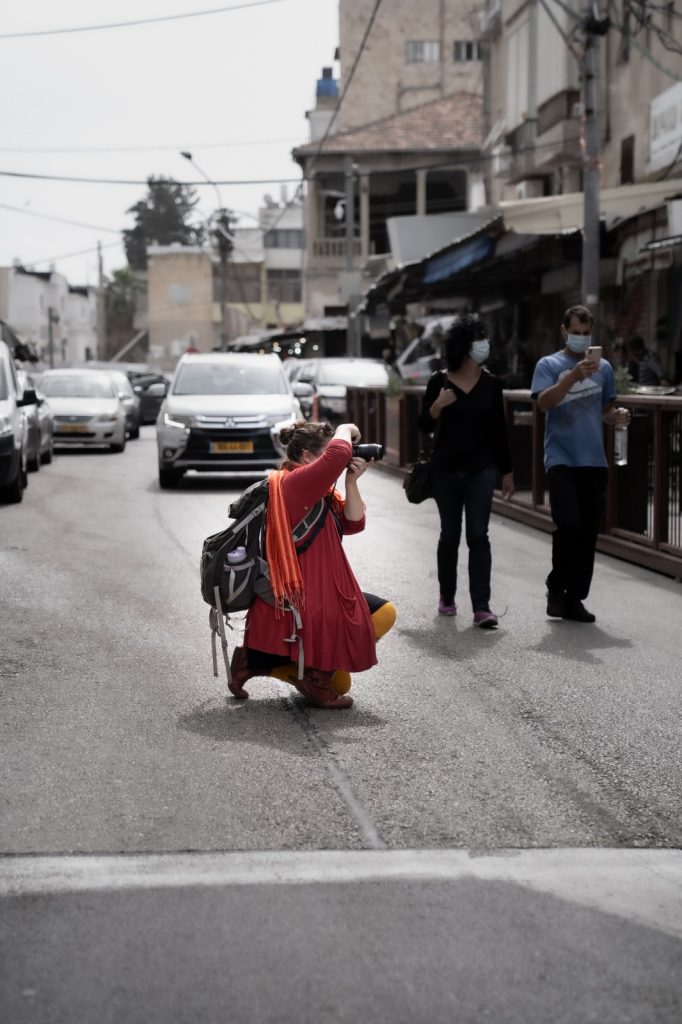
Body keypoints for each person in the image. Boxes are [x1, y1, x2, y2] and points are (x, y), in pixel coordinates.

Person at [228, 420, 396, 709]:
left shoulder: (317, 489)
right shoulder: (295, 484)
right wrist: (344, 428)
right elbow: (338, 455)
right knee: (340, 683)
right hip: (306, 592)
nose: (342, 459)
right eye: (329, 452)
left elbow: (355, 523)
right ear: (307, 457)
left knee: (384, 613)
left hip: (321, 586)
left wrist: (351, 482)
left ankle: (254, 662)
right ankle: (303, 676)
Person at [531, 304, 631, 623]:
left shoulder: (603, 368)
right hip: (561, 457)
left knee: (588, 532)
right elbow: (543, 404)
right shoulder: (548, 365)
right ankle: (556, 587)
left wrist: (617, 417)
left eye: (586, 334)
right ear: (564, 331)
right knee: (569, 525)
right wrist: (573, 376)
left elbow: (605, 409)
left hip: (594, 460)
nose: (581, 338)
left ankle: (575, 597)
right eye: (575, 333)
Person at [417, 314, 515, 629]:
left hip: (481, 470)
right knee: (450, 534)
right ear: (464, 346)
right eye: (478, 340)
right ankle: (447, 596)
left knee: (478, 535)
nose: (484, 345)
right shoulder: (439, 381)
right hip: (445, 470)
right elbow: (423, 424)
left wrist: (507, 471)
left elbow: (500, 430)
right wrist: (437, 406)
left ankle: (482, 607)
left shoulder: (492, 384)